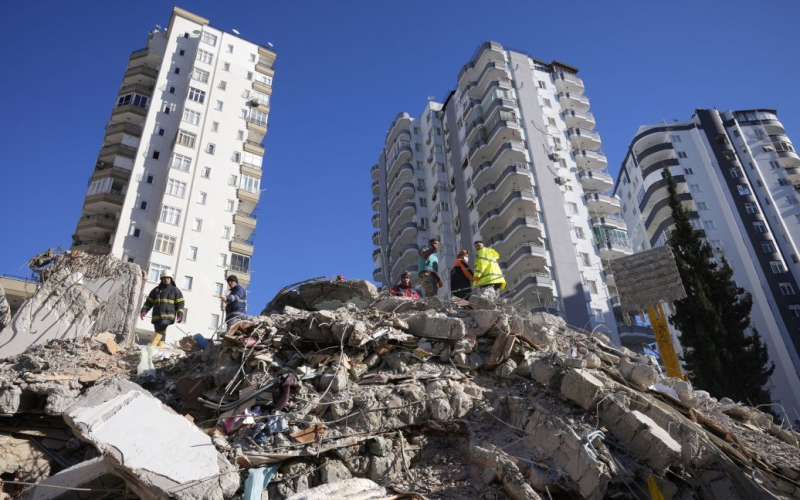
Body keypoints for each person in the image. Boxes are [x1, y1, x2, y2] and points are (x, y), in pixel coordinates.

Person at [140, 270, 185, 346]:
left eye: (168, 278)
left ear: (171, 279)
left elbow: (180, 304)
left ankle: (152, 346)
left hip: (168, 316)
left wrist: (180, 314)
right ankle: (160, 349)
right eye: (164, 278)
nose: (166, 279)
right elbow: (149, 302)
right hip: (157, 316)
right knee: (159, 332)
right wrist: (144, 310)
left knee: (161, 329)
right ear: (161, 279)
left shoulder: (175, 291)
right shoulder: (156, 290)